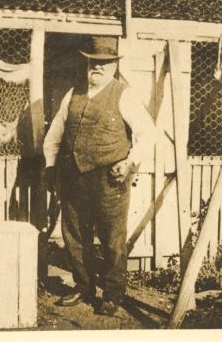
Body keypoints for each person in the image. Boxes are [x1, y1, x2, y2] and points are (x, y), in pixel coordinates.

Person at [43, 36, 156, 316]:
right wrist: (50, 166)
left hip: (110, 178)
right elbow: (55, 132)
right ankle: (83, 286)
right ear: (87, 63)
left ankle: (112, 294)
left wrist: (130, 163)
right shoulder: (73, 93)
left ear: (113, 66)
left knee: (111, 239)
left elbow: (148, 134)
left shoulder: (124, 94)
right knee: (75, 235)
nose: (98, 68)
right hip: (73, 178)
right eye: (94, 62)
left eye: (104, 63)